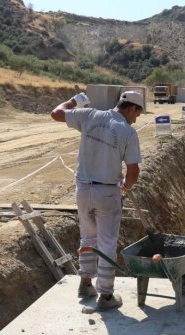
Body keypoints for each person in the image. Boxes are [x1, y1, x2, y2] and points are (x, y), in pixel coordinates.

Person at [51, 90, 143, 309]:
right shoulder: (127, 132)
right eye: (137, 114)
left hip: (83, 189)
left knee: (87, 238)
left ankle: (85, 283)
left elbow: (56, 113)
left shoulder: (89, 115)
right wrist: (126, 187)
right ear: (130, 108)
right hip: (107, 191)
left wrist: (75, 100)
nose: (136, 118)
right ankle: (107, 296)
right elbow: (133, 170)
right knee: (107, 242)